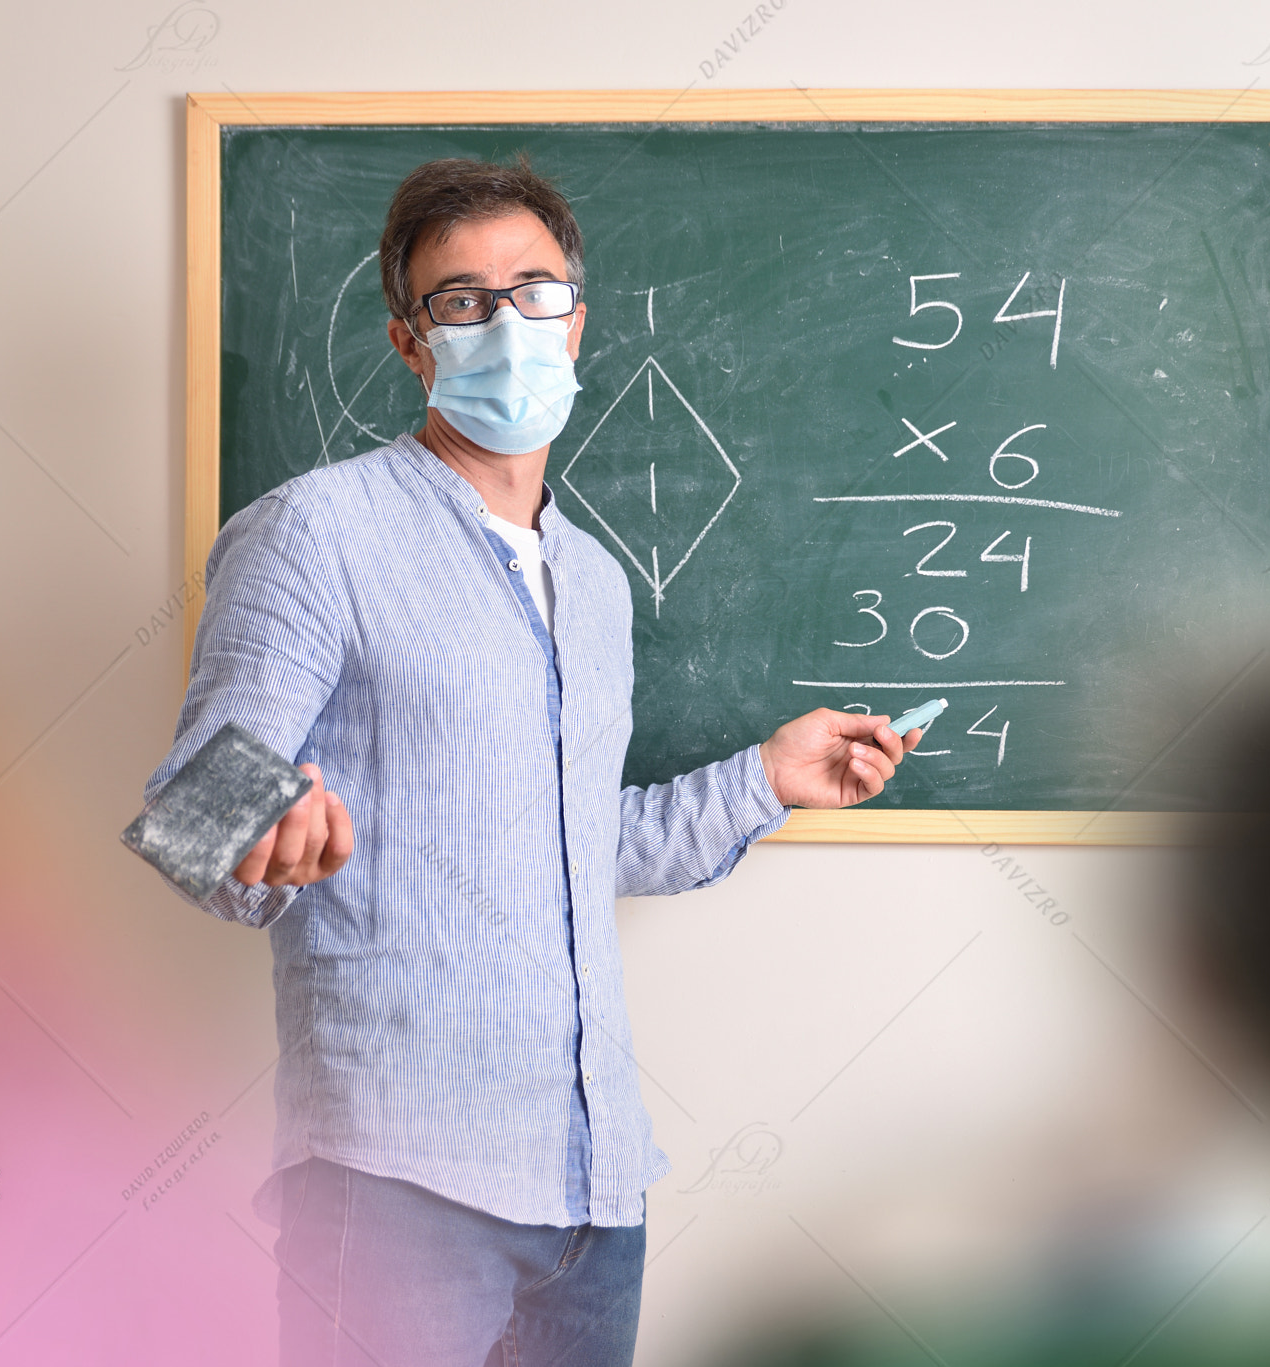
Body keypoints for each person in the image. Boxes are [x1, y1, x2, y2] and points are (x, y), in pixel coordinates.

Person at [142, 155, 924, 1367]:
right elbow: (197, 816)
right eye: (460, 299)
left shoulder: (595, 583)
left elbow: (567, 845)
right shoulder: (317, 532)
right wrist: (271, 817)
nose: (505, 321)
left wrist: (765, 776)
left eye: (533, 288)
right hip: (399, 1175)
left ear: (578, 317)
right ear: (412, 342)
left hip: (593, 1187)